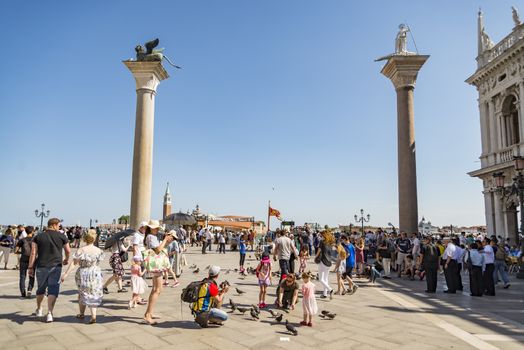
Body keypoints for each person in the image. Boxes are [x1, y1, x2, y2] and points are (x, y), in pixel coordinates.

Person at [28, 218, 71, 323]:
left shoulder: (38, 236)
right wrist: (66, 259)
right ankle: (50, 313)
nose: (59, 227)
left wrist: (30, 267)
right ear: (54, 225)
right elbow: (68, 250)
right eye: (59, 225)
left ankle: (39, 309)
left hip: (41, 265)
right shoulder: (62, 236)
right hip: (56, 266)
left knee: (41, 289)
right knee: (53, 289)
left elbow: (33, 253)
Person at [61, 229, 104, 324]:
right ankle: (93, 315)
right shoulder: (99, 250)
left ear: (85, 239)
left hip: (83, 272)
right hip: (95, 272)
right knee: (94, 293)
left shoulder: (82, 250)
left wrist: (66, 273)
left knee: (82, 293)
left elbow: (74, 263)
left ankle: (81, 313)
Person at [142, 220, 173, 325]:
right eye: (155, 228)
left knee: (156, 289)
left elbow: (159, 248)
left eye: (157, 228)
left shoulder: (151, 236)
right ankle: (147, 315)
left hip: (156, 265)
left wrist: (166, 241)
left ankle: (149, 312)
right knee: (157, 289)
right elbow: (158, 250)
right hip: (156, 265)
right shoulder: (151, 237)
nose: (156, 229)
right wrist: (165, 239)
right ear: (150, 228)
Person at [15, 226, 35, 297]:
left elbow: (15, 251)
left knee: (22, 276)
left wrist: (21, 252)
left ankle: (23, 293)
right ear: (32, 231)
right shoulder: (35, 240)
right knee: (31, 276)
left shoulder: (22, 240)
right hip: (32, 260)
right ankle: (29, 290)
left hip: (23, 259)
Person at [315, 230, 334, 299]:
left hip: (323, 261)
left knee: (321, 279)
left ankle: (330, 289)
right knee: (325, 278)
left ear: (324, 235)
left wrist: (316, 257)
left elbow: (319, 251)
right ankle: (325, 294)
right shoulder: (330, 243)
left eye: (321, 235)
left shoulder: (322, 242)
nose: (320, 236)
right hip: (329, 262)